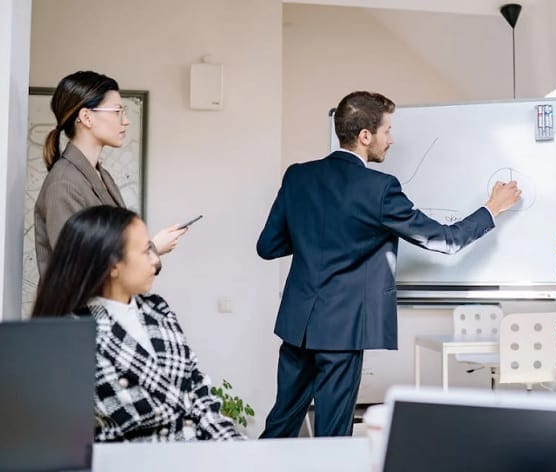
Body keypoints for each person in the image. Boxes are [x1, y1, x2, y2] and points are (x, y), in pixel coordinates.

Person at [256, 91, 521, 438]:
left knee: (279, 427)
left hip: (297, 327)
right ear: (365, 136)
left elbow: (268, 246)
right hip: (341, 333)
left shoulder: (298, 176)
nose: (391, 139)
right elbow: (445, 240)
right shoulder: (379, 189)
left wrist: (313, 236)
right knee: (332, 437)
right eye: (387, 130)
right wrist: (492, 209)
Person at [32, 205, 243, 441]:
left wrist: (236, 449)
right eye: (146, 251)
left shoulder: (158, 310)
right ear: (113, 266)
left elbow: (198, 392)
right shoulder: (73, 336)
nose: (156, 261)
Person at [34, 70, 186, 276]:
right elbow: (79, 268)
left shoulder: (102, 175)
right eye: (117, 111)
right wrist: (152, 249)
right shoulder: (64, 183)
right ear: (86, 117)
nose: (125, 121)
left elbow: (110, 250)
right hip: (79, 308)